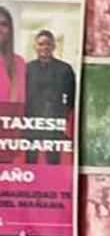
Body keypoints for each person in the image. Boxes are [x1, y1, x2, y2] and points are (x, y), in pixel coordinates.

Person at [23, 29, 72, 163]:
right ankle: (30, 180)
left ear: (54, 46)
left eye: (48, 44)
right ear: (35, 47)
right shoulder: (27, 69)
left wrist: (65, 113)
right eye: (41, 44)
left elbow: (71, 95)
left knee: (53, 155)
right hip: (31, 117)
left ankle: (53, 180)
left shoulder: (64, 69)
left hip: (55, 116)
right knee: (30, 154)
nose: (44, 47)